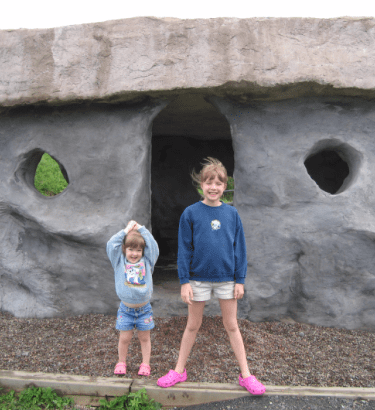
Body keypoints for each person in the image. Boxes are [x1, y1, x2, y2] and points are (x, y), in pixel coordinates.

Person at [157, 158, 266, 395]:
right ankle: (178, 370)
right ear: (201, 185)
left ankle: (246, 375)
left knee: (232, 326)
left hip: (227, 279)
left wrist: (240, 280)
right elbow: (184, 249)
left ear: (225, 185)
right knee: (192, 325)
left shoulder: (232, 214)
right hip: (197, 279)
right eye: (209, 182)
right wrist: (184, 282)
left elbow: (240, 248)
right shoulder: (190, 213)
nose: (213, 187)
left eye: (218, 183)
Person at [107, 220, 159, 377]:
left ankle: (145, 364)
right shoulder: (119, 261)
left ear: (143, 251)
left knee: (144, 337)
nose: (134, 253)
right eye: (130, 249)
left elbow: (153, 247)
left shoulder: (147, 261)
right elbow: (111, 244)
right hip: (126, 309)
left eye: (138, 250)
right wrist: (126, 230)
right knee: (124, 338)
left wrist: (141, 229)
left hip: (144, 309)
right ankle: (121, 362)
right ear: (124, 249)